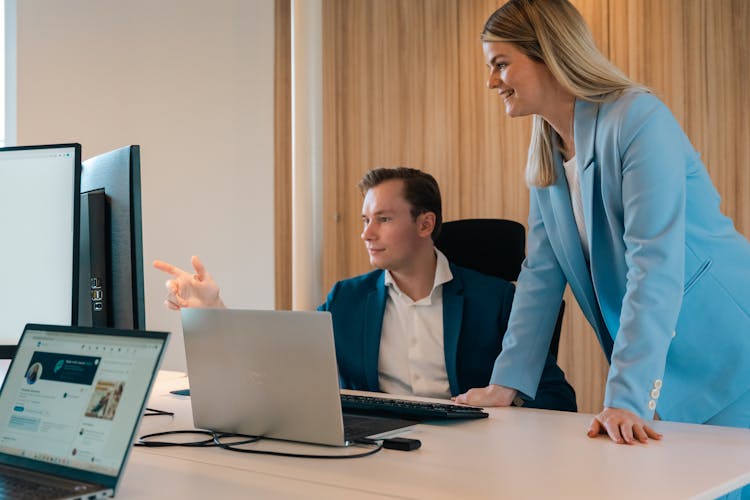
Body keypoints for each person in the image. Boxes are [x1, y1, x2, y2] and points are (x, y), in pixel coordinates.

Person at [455, 0, 750, 449]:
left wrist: (627, 396)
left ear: (549, 54)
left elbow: (654, 264)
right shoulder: (547, 154)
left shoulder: (637, 119)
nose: (491, 81)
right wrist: (507, 383)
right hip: (657, 367)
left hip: (726, 353)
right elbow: (540, 278)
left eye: (501, 64)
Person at [153, 167, 577, 411]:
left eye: (384, 220)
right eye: (364, 220)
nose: (367, 234)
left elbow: (559, 397)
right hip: (381, 449)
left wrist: (505, 406)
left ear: (425, 224)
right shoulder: (348, 298)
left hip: (475, 455)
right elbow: (279, 359)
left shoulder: (497, 298)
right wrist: (214, 312)